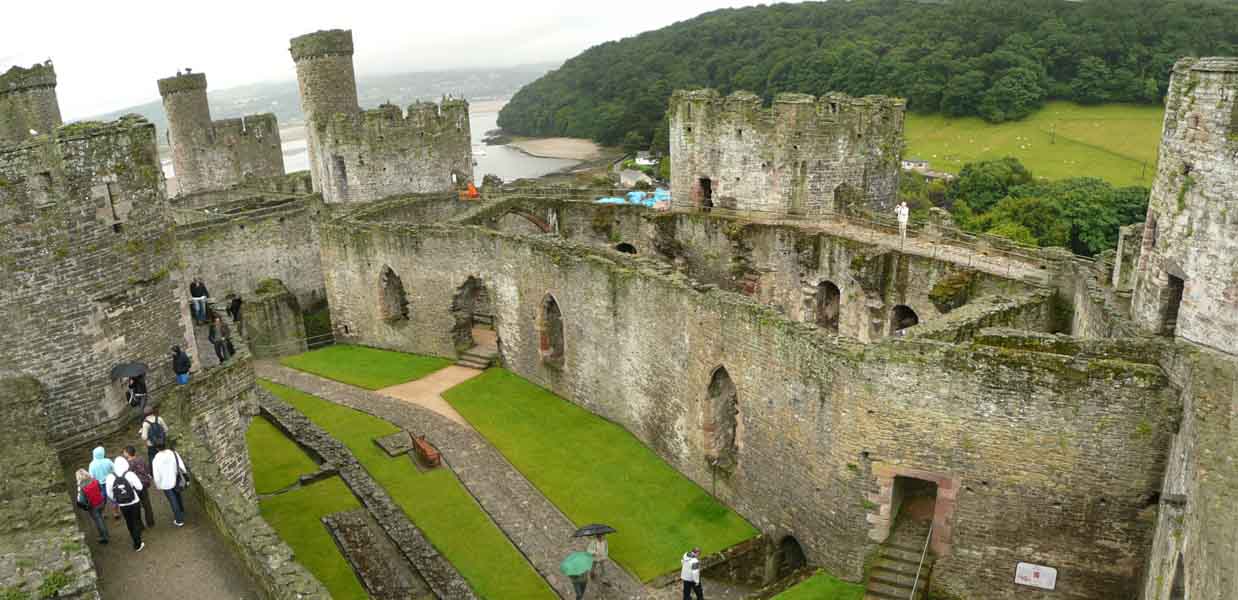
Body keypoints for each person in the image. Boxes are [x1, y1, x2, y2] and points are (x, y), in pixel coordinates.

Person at [106, 456, 145, 551]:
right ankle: (138, 542)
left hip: (122, 504)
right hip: (134, 501)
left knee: (129, 521)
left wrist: (117, 499)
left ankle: (135, 538)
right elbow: (139, 487)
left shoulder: (110, 477)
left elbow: (109, 493)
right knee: (136, 520)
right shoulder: (129, 474)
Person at [152, 443, 189, 527]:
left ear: (157, 448)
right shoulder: (173, 453)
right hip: (176, 479)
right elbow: (181, 465)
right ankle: (182, 511)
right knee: (178, 495)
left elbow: (156, 476)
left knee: (173, 501)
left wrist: (158, 485)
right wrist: (185, 475)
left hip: (165, 484)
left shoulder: (156, 459)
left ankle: (179, 520)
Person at [123, 446, 157, 528]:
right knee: (147, 504)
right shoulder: (141, 459)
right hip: (144, 484)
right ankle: (150, 522)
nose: (123, 454)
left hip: (134, 487)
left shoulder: (127, 464)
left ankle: (140, 525)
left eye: (124, 452)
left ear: (128, 453)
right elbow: (147, 469)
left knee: (136, 506)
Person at [75, 469, 108, 544]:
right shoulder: (94, 480)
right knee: (100, 517)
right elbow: (100, 489)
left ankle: (104, 537)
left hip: (93, 506)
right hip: (101, 502)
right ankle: (106, 533)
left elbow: (80, 500)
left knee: (98, 521)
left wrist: (86, 506)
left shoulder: (81, 487)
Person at [88, 446, 119, 520]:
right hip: (110, 481)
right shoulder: (107, 461)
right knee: (113, 496)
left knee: (102, 499)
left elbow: (91, 476)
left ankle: (103, 513)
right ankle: (115, 512)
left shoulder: (92, 464)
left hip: (99, 484)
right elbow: (115, 469)